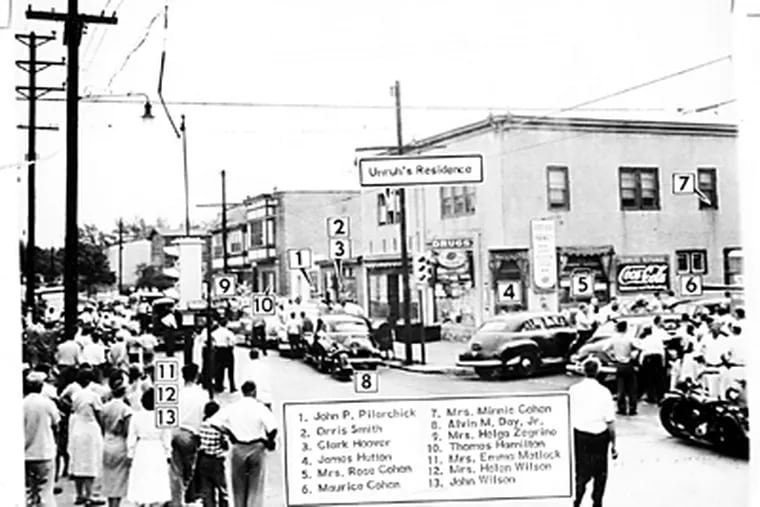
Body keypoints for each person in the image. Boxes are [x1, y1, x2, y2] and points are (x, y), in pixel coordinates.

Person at [216, 380, 277, 507]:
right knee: (256, 486)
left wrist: (230, 434)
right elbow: (273, 428)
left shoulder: (233, 407)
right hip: (256, 447)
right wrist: (268, 441)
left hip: (238, 448)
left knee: (238, 485)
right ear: (254, 392)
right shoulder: (260, 408)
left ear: (242, 392)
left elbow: (215, 422)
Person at [569, 357, 617, 507]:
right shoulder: (604, 392)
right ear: (598, 371)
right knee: (600, 473)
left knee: (581, 470)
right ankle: (597, 502)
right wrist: (614, 445)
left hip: (580, 434)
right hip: (600, 436)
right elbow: (610, 422)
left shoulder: (574, 390)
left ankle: (577, 499)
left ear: (583, 371)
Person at [170, 363, 208, 506]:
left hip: (175, 432)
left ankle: (176, 500)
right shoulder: (202, 395)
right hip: (191, 435)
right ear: (197, 376)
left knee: (176, 470)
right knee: (189, 471)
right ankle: (185, 497)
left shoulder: (177, 393)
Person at [126, 388, 172, 506]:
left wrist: (130, 453)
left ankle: (142, 502)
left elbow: (132, 437)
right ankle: (154, 503)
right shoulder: (162, 417)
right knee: (156, 478)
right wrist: (168, 453)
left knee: (142, 477)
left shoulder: (137, 416)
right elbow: (166, 437)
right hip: (157, 449)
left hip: (142, 449)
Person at [68, 368, 106, 506]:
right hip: (90, 428)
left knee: (78, 461)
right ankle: (89, 494)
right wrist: (103, 428)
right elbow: (99, 414)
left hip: (77, 427)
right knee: (90, 460)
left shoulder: (75, 395)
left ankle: (79, 494)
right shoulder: (93, 396)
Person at [24, 375, 61, 507]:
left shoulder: (22, 404)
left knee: (31, 491)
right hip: (45, 450)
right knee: (46, 492)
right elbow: (57, 422)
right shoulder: (47, 403)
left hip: (26, 453)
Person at [101, 376, 133, 507]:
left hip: (107, 441)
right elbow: (127, 431)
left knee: (108, 476)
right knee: (119, 478)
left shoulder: (104, 407)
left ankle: (110, 504)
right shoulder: (126, 409)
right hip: (120, 443)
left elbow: (101, 424)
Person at [195, 401, 230, 507]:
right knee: (222, 489)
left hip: (203, 459)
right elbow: (225, 445)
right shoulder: (219, 428)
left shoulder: (200, 426)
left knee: (207, 491)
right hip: (217, 460)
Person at [603, 320, 640, 415]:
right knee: (632, 387)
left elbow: (604, 349)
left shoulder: (614, 338)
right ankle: (632, 408)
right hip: (629, 363)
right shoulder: (629, 338)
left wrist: (612, 357)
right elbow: (639, 347)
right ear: (626, 328)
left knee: (620, 387)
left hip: (619, 363)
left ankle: (621, 407)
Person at [637, 326, 666, 404]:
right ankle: (660, 396)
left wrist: (640, 362)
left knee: (649, 379)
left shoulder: (645, 340)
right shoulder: (657, 339)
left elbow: (643, 352)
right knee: (659, 379)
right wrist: (663, 362)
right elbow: (662, 351)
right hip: (658, 358)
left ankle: (651, 397)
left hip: (649, 359)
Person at [213, 319, 237, 393]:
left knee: (219, 369)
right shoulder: (229, 332)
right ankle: (232, 386)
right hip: (227, 351)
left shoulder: (215, 332)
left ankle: (219, 386)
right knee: (230, 370)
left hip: (218, 351)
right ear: (226, 324)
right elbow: (233, 341)